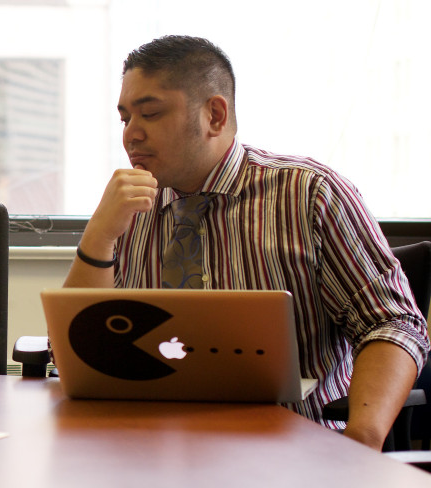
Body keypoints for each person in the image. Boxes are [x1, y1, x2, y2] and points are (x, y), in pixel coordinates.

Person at [64, 35, 429, 450]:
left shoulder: (309, 194)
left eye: (149, 113)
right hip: (151, 446)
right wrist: (99, 236)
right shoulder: (129, 207)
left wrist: (360, 441)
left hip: (292, 448)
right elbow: (78, 356)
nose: (131, 134)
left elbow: (395, 323)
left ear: (214, 115)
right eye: (125, 118)